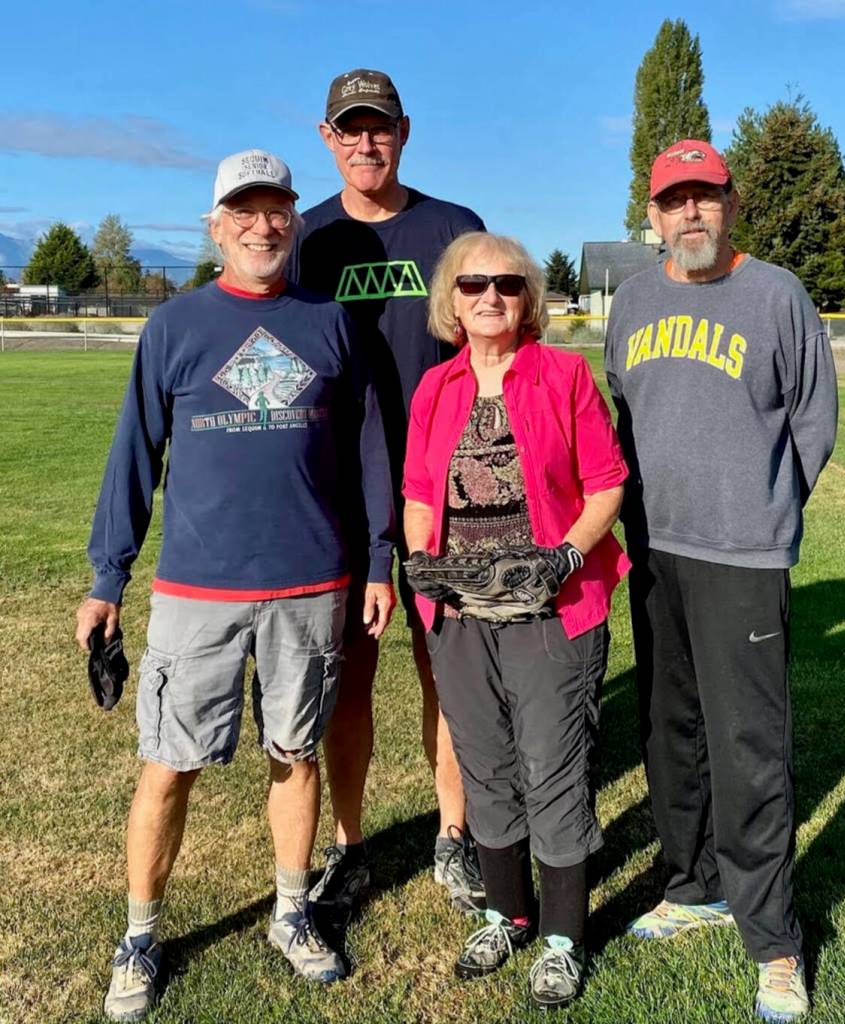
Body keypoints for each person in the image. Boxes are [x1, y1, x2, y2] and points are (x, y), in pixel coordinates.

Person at [74, 149, 395, 1021]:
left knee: (295, 755)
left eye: (276, 209)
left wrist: (378, 559)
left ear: (295, 219)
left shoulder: (331, 323)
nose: (262, 226)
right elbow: (134, 455)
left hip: (312, 583)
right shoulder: (176, 327)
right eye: (243, 213)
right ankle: (140, 935)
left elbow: (369, 451)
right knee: (168, 767)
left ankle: (291, 913)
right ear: (216, 227)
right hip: (199, 589)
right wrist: (108, 577)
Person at [605, 139, 838, 1023]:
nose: (691, 212)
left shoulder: (776, 294)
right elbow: (622, 412)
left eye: (705, 196)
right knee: (670, 730)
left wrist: (766, 507)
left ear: (732, 204)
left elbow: (813, 421)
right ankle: (692, 883)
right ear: (654, 215)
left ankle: (773, 939)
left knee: (749, 744)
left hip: (743, 554)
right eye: (675, 200)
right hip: (655, 548)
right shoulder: (633, 300)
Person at [402, 232, 629, 1009]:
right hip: (461, 615)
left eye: (506, 283)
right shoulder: (436, 389)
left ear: (527, 296)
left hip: (551, 612)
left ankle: (563, 937)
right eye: (472, 285)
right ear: (451, 300)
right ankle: (508, 913)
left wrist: (565, 557)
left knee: (552, 765)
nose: (489, 296)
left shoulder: (563, 376)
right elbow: (420, 494)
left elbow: (607, 484)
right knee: (486, 766)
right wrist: (423, 564)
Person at [294, 68, 486, 915]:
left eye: (380, 127)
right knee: (349, 674)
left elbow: (491, 346)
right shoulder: (305, 237)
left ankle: (455, 833)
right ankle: (349, 845)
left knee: (449, 666)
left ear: (405, 132)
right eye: (351, 129)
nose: (366, 143)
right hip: (340, 490)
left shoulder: (453, 228)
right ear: (327, 138)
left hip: (447, 486)